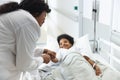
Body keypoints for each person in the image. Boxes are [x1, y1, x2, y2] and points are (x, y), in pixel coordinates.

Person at [0, 0, 56, 80]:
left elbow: (20, 49)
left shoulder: (14, 16)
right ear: (37, 12)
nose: (44, 20)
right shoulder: (28, 21)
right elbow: (24, 65)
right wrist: (43, 58)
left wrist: (43, 51)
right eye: (44, 16)